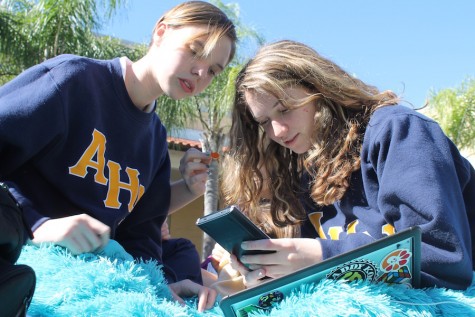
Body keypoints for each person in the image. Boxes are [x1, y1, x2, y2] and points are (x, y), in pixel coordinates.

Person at [0, 1, 237, 311]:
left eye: (214, 71)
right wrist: (36, 226)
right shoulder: (73, 81)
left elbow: (141, 239)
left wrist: (158, 285)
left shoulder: (154, 143)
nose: (201, 71)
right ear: (161, 32)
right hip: (22, 268)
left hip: (93, 284)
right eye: (195, 50)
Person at [217, 40, 475, 292]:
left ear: (318, 88)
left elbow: (444, 260)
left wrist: (322, 257)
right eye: (264, 122)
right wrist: (271, 278)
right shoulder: (307, 175)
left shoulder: (398, 131)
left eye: (284, 109)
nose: (277, 131)